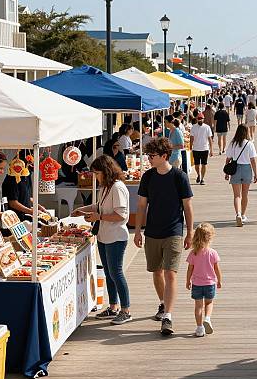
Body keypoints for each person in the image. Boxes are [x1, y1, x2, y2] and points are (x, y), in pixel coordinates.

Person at [134, 138, 194, 336]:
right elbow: (142, 205)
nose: (149, 159)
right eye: (148, 155)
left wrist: (190, 231)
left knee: (170, 273)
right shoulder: (148, 177)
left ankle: (168, 316)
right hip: (152, 231)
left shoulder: (179, 176)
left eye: (152, 156)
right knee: (157, 272)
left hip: (174, 231)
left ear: (164, 156)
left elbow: (187, 206)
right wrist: (137, 231)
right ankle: (162, 303)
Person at [73, 155, 131, 325]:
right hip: (105, 236)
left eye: (97, 173)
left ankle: (126, 309)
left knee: (116, 273)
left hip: (116, 236)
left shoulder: (117, 188)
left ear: (105, 172)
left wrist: (99, 216)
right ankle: (113, 307)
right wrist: (81, 210)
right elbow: (98, 206)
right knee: (108, 273)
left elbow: (121, 215)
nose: (96, 177)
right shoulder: (105, 187)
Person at [186, 223, 222, 337]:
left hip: (196, 283)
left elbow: (189, 269)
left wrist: (188, 281)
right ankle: (207, 318)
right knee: (209, 302)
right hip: (210, 283)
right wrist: (219, 280)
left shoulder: (193, 253)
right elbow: (217, 269)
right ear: (210, 237)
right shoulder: (212, 253)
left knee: (198, 306)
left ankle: (199, 328)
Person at [224, 124, 257, 227]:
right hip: (247, 169)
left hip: (235, 169)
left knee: (237, 195)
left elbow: (228, 158)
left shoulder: (233, 143)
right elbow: (253, 160)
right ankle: (243, 215)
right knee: (245, 194)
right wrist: (255, 173)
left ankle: (238, 213)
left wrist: (226, 172)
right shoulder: (249, 143)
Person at [2, 150, 47, 221]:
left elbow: (28, 197)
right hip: (15, 219)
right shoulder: (13, 177)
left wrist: (38, 206)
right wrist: (32, 212)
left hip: (26, 216)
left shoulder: (27, 174)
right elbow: (13, 203)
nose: (37, 163)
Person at [190, 113, 213, 185]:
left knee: (204, 164)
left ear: (203, 119)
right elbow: (191, 138)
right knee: (196, 165)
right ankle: (198, 175)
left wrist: (211, 149)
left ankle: (202, 178)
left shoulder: (207, 127)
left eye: (201, 118)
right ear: (197, 119)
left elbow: (210, 139)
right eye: (199, 118)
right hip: (196, 148)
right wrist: (191, 146)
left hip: (205, 148)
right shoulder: (193, 127)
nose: (200, 120)